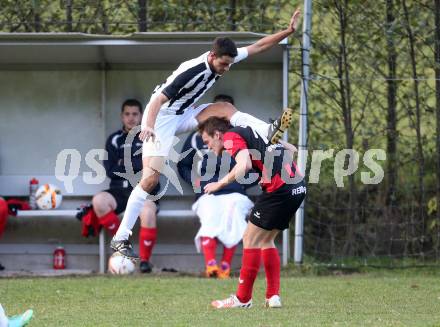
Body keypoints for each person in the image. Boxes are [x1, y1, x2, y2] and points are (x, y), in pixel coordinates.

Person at [111, 9, 302, 258]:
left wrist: (287, 32)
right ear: (213, 57)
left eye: (230, 64)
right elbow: (158, 99)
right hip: (161, 119)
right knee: (150, 181)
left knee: (224, 108)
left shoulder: (224, 60)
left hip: (186, 112)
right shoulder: (193, 70)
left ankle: (267, 130)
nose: (226, 69)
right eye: (223, 64)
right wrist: (147, 125)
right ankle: (121, 237)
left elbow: (257, 47)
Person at [198, 117, 306, 309]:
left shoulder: (231, 136)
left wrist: (220, 183)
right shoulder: (254, 132)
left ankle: (242, 298)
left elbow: (244, 165)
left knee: (249, 238)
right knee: (266, 240)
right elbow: (292, 150)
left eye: (207, 141)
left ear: (217, 135)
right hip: (297, 187)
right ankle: (273, 296)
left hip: (279, 189)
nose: (209, 146)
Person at [177, 94, 254, 279]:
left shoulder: (242, 135)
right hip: (207, 193)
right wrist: (195, 182)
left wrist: (242, 183)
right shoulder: (197, 138)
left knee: (233, 215)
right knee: (211, 214)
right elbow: (182, 165)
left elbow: (257, 166)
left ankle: (225, 267)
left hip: (234, 192)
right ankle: (211, 265)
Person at [90, 99, 159, 273]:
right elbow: (110, 170)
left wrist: (125, 163)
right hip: (119, 190)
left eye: (135, 114)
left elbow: (152, 169)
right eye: (127, 114)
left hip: (144, 190)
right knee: (99, 201)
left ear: (141, 116)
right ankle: (122, 244)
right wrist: (137, 163)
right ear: (122, 116)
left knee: (148, 212)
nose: (131, 118)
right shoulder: (114, 139)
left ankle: (144, 261)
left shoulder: (150, 137)